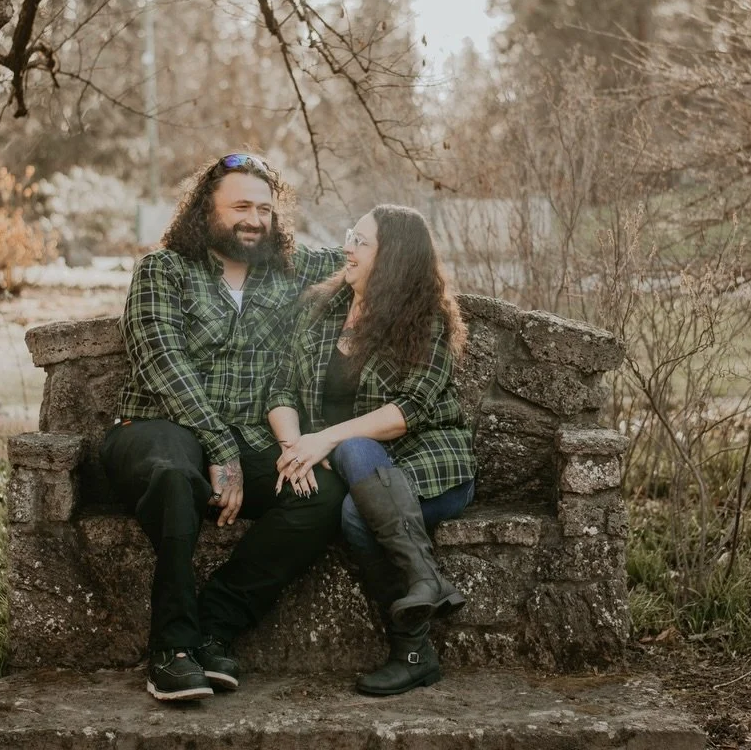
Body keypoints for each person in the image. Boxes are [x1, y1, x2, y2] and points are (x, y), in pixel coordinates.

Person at [100, 152, 345, 702]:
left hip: (247, 440)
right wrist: (219, 447)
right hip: (154, 427)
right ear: (204, 210)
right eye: (240, 206)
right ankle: (173, 648)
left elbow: (362, 258)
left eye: (265, 208)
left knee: (321, 491)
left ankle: (215, 624)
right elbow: (163, 363)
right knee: (173, 476)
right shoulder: (163, 270)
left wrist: (400, 245)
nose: (254, 219)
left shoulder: (290, 271)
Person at [269, 204, 475, 696]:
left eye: (360, 241)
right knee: (355, 454)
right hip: (349, 460)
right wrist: (295, 445)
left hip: (430, 463)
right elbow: (281, 388)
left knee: (356, 511)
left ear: (394, 258)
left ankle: (412, 651)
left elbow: (409, 410)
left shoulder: (427, 322)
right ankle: (428, 583)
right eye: (349, 236)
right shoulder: (322, 310)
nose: (348, 248)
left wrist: (325, 439)